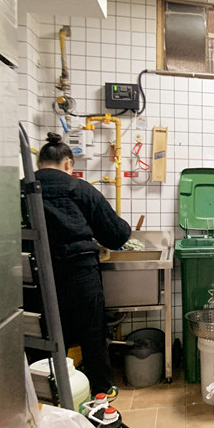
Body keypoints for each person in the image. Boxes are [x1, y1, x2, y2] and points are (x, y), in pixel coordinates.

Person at [36, 132, 131, 399]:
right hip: (79, 275)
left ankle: (45, 395)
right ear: (68, 164)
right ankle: (101, 392)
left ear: (38, 163)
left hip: (35, 277)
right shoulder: (79, 189)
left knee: (44, 337)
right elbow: (116, 235)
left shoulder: (21, 190)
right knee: (92, 336)